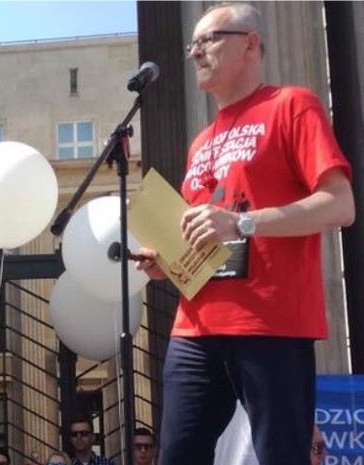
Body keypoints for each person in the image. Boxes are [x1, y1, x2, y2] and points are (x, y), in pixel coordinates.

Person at [136, 3, 354, 465]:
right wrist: (168, 261)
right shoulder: (200, 142)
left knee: (281, 455)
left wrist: (242, 222)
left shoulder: (292, 105)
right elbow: (205, 235)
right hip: (195, 325)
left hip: (270, 322)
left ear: (250, 44)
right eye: (192, 44)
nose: (195, 52)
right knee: (177, 456)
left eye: (208, 40)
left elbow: (340, 205)